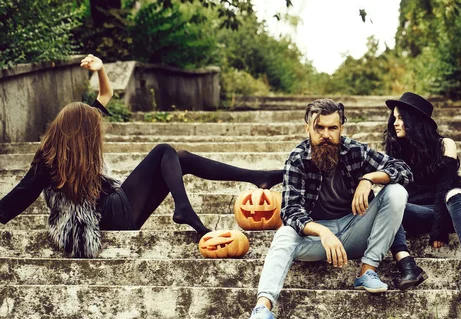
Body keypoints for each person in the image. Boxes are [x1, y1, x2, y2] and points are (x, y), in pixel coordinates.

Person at [0, 55, 283, 258]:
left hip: (115, 216)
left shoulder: (47, 161)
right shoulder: (49, 163)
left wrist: (99, 70)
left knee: (177, 158)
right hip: (112, 213)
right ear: (83, 133)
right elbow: (14, 201)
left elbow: (105, 94)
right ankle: (186, 209)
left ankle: (256, 177)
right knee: (164, 151)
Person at [246, 99, 413, 319]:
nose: (326, 135)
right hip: (317, 239)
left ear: (341, 128)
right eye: (319, 128)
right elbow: (291, 212)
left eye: (332, 128)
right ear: (308, 129)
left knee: (396, 192)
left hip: (355, 231)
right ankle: (263, 307)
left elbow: (403, 170)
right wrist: (322, 231)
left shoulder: (354, 151)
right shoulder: (298, 159)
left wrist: (369, 178)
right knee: (284, 234)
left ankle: (368, 269)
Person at [383, 92, 461, 296]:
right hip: (423, 211)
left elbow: (445, 186)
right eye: (394, 117)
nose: (395, 122)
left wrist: (439, 228)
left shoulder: (445, 144)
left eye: (401, 118)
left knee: (454, 194)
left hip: (457, 204)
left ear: (415, 121)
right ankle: (408, 267)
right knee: (386, 206)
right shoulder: (395, 150)